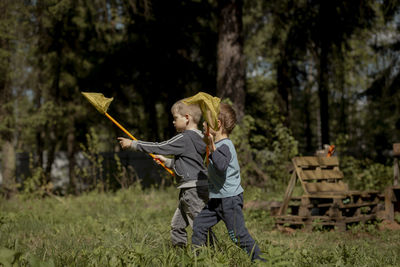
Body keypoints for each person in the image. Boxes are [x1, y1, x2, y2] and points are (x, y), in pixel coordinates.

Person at [118, 99, 210, 248]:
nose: (173, 122)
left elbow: (160, 146)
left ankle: (206, 256)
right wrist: (166, 161)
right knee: (177, 225)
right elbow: (189, 164)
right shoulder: (201, 137)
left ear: (187, 118)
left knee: (199, 227)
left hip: (191, 190)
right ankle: (180, 256)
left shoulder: (184, 137)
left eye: (175, 118)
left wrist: (133, 144)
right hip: (193, 187)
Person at [191, 103, 266, 262]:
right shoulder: (217, 146)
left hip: (230, 200)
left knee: (238, 236)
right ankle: (196, 259)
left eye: (206, 121)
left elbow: (221, 166)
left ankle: (261, 261)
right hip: (217, 199)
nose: (203, 124)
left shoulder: (225, 146)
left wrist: (211, 147)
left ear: (217, 124)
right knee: (199, 224)